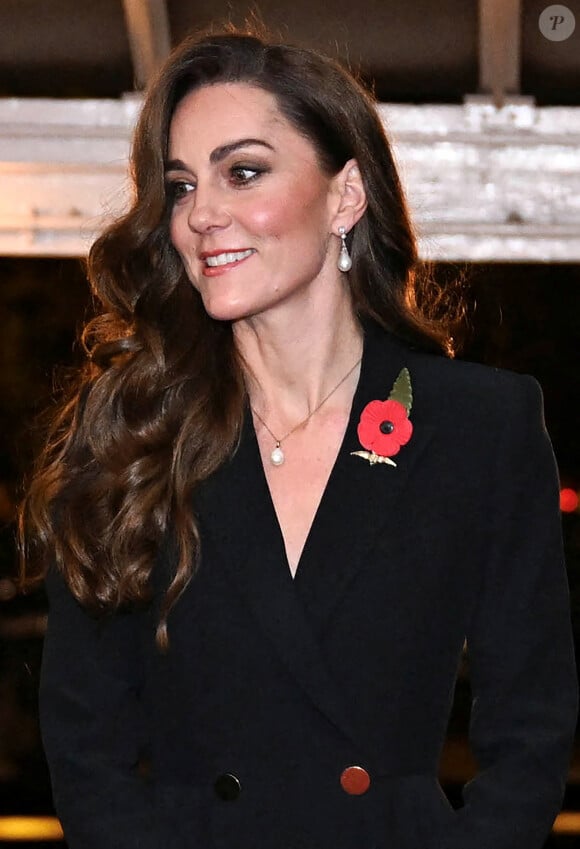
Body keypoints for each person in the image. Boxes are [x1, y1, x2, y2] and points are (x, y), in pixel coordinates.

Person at [20, 27, 577, 849]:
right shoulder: (133, 428)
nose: (202, 213)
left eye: (243, 171)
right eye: (180, 186)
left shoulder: (479, 426)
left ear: (346, 195)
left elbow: (531, 726)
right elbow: (84, 746)